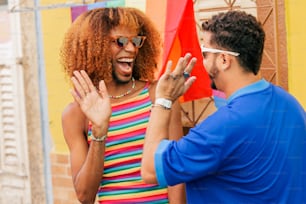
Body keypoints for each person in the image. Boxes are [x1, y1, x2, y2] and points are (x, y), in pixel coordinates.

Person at [141, 10, 306, 203]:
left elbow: (150, 169)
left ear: (224, 60)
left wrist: (163, 100)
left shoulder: (224, 125)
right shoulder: (291, 104)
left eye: (205, 54)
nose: (202, 62)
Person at [60, 7, 186, 204]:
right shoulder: (76, 114)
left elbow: (177, 172)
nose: (131, 49)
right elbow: (85, 196)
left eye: (135, 41)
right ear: (94, 48)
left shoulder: (159, 95)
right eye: (120, 42)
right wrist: (99, 132)